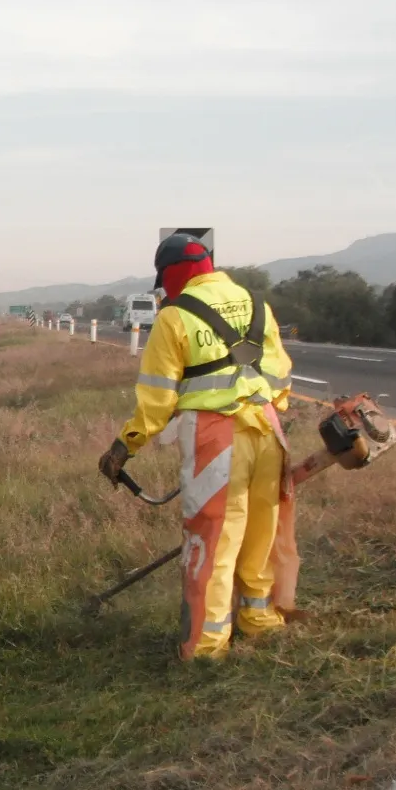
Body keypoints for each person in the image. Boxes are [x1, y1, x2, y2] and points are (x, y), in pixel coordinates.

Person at [98, 235, 295, 660]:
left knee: (214, 543)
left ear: (170, 274)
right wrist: (265, 407)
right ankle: (258, 620)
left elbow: (158, 400)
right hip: (268, 431)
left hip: (217, 439)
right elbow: (280, 375)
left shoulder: (174, 317)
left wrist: (123, 447)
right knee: (261, 531)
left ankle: (206, 646)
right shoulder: (255, 304)